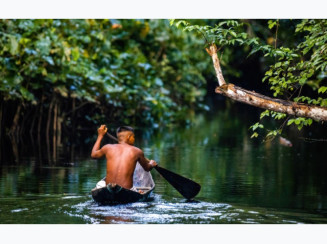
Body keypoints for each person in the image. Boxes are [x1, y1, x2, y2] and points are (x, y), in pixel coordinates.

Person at [91, 124, 157, 190]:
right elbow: (147, 168)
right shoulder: (137, 151)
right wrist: (152, 164)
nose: (134, 139)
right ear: (129, 137)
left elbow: (93, 154)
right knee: (139, 191)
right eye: (133, 137)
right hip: (127, 191)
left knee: (101, 184)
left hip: (109, 188)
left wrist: (100, 136)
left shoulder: (107, 147)